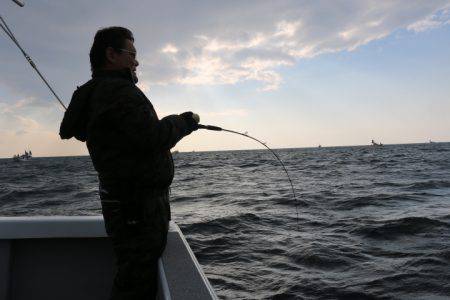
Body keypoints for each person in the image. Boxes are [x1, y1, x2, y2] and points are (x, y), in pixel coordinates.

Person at [59, 26, 199, 299]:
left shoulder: (98, 92)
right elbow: (153, 136)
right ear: (111, 55)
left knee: (132, 275)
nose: (136, 61)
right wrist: (185, 121)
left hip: (123, 206)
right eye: (131, 54)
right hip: (136, 209)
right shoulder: (119, 93)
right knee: (135, 283)